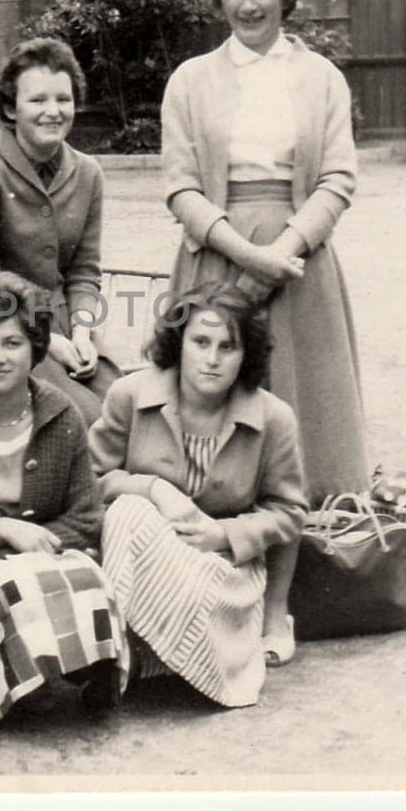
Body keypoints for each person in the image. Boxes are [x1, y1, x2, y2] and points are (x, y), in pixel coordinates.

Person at [158, 0, 369, 664]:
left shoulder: (320, 79)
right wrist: (240, 252)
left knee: (292, 431)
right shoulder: (190, 81)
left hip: (299, 268)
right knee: (216, 428)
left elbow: (340, 176)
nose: (247, 5)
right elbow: (180, 186)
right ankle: (212, 598)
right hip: (216, 267)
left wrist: (284, 247)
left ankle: (285, 606)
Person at [88, 282, 307, 707]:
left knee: (203, 597)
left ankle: (179, 657)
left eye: (228, 347)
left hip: (223, 568)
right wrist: (152, 487)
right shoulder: (130, 395)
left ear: (246, 355)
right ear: (178, 342)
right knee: (129, 511)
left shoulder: (273, 417)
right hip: (142, 560)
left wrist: (222, 534)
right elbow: (88, 483)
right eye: (201, 342)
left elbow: (290, 513)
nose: (212, 359)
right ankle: (113, 652)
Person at [0, 269, 128, 727]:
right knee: (5, 590)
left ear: (35, 346)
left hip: (49, 549)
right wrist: (0, 529)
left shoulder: (61, 414)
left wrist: (25, 540)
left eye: (12, 343)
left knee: (85, 579)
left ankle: (90, 673)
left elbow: (86, 516)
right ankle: (18, 688)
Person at [0, 37, 120, 423]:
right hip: (11, 334)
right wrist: (46, 340)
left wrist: (85, 332)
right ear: (10, 107)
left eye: (63, 99)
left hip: (72, 331)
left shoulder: (89, 173)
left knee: (130, 409)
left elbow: (85, 271)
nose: (53, 112)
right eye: (37, 100)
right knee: (86, 419)